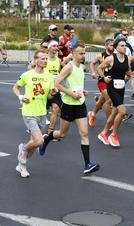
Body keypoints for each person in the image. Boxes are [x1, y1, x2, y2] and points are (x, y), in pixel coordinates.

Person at [38, 41, 100, 175]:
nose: (83, 56)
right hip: (68, 105)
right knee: (62, 134)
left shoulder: (81, 67)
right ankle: (46, 139)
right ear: (73, 54)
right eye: (80, 53)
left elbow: (75, 84)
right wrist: (71, 94)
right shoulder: (69, 67)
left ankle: (87, 164)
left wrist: (82, 92)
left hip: (80, 105)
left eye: (84, 53)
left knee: (84, 133)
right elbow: (57, 84)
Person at [13, 49, 57, 178]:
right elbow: (15, 87)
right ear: (36, 60)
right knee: (39, 141)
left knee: (33, 142)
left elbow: (48, 96)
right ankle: (23, 149)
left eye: (46, 59)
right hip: (29, 112)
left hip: (42, 112)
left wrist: (52, 93)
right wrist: (20, 97)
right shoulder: (27, 74)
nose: (45, 61)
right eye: (42, 59)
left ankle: (22, 166)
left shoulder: (49, 77)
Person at [97, 39, 134, 147]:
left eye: (125, 45)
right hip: (112, 87)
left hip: (121, 87)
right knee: (122, 111)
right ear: (116, 47)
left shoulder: (127, 59)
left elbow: (127, 71)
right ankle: (113, 135)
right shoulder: (110, 59)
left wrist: (131, 74)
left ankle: (104, 133)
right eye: (122, 45)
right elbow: (99, 68)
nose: (125, 47)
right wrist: (104, 78)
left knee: (114, 112)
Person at [88, 39, 114, 128]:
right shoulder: (100, 56)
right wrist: (92, 72)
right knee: (109, 100)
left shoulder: (115, 56)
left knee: (101, 101)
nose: (112, 47)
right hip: (102, 81)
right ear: (106, 46)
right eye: (111, 45)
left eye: (114, 45)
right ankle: (110, 123)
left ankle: (92, 114)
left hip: (112, 82)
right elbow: (92, 63)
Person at [44, 40, 62, 135]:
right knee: (43, 112)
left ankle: (50, 131)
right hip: (44, 89)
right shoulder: (44, 58)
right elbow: (31, 68)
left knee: (56, 109)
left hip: (55, 89)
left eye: (57, 46)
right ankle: (35, 128)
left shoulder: (58, 60)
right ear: (49, 48)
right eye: (54, 46)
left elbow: (59, 74)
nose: (56, 48)